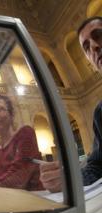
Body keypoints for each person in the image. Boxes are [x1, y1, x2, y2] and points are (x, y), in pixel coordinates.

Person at [40, 16, 102, 192]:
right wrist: (68, 179)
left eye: (99, 35)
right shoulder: (100, 112)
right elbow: (97, 167)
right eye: (87, 47)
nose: (94, 48)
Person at [0, 94, 44, 190]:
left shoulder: (25, 133)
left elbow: (18, 176)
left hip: (33, 199)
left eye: (0, 109)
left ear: (11, 114)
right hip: (5, 200)